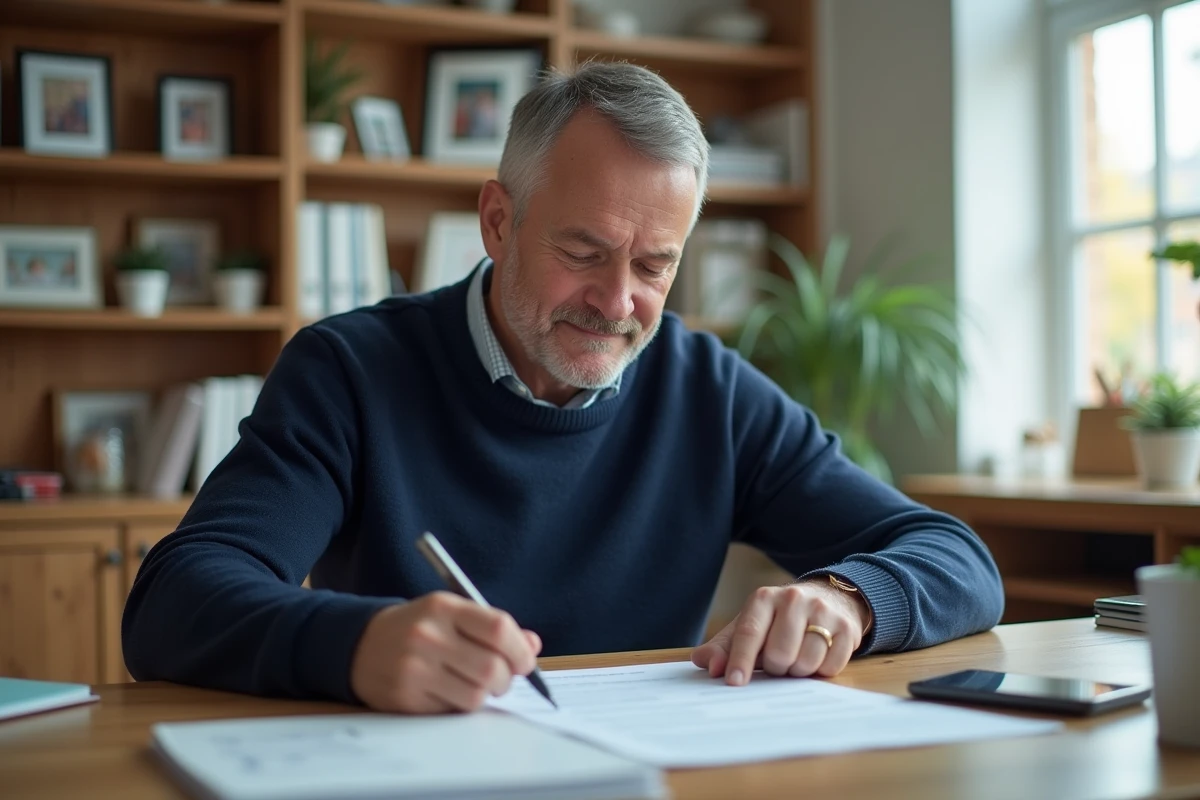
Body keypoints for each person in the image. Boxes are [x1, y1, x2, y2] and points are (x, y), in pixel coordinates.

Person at [123, 62, 1003, 715]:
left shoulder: (711, 392)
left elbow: (955, 557)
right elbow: (174, 600)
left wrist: (848, 599)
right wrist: (351, 645)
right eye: (583, 253)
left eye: (655, 265)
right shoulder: (349, 371)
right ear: (499, 222)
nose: (619, 303)